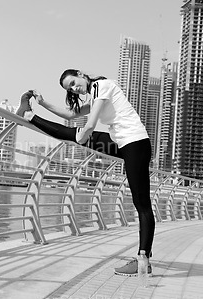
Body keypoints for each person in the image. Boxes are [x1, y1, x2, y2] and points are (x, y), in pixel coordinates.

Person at [16, 69, 155, 276]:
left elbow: (90, 123)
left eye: (73, 82)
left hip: (135, 144)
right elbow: (71, 115)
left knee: (141, 204)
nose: (74, 88)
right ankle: (29, 114)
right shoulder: (95, 93)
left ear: (81, 74)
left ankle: (143, 259)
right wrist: (43, 103)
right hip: (124, 143)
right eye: (69, 88)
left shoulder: (102, 85)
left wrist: (83, 136)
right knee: (73, 133)